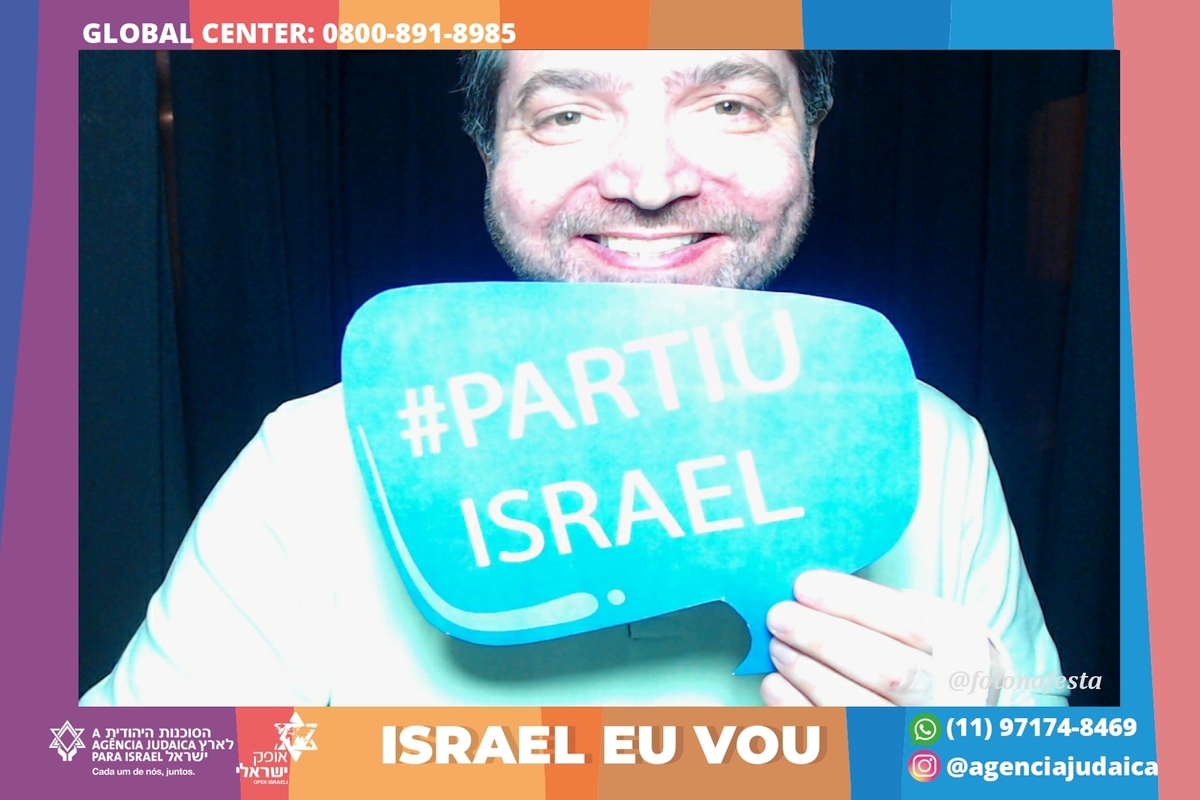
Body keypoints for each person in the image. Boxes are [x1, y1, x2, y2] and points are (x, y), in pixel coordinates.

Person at [81, 50, 1066, 707]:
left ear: (808, 138)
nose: (650, 182)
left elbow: (1052, 750)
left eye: (729, 103)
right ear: (489, 154)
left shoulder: (933, 442)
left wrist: (977, 751)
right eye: (564, 113)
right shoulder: (314, 459)